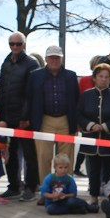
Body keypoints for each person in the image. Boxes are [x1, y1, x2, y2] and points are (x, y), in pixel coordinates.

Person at [22, 45, 80, 184]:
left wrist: (76, 123)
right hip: (44, 120)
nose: (54, 60)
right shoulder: (35, 75)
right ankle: (45, 190)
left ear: (61, 59)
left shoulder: (71, 76)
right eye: (52, 57)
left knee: (66, 159)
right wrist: (25, 118)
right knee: (44, 158)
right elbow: (28, 98)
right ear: (46, 58)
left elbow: (76, 100)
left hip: (65, 120)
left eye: (57, 57)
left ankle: (66, 189)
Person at [0, 31, 39, 200]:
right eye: (11, 44)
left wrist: (25, 117)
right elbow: (1, 89)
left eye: (18, 44)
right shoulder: (6, 62)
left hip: (23, 117)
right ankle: (14, 185)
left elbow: (31, 93)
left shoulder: (31, 63)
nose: (14, 47)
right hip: (7, 115)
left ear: (24, 45)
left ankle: (30, 187)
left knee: (29, 154)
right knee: (10, 153)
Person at [78, 63, 110, 207]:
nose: (104, 79)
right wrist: (90, 125)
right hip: (91, 139)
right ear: (94, 78)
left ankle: (108, 196)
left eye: (107, 77)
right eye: (101, 76)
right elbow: (78, 114)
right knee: (92, 170)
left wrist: (105, 126)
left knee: (109, 171)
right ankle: (93, 197)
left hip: (108, 138)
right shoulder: (86, 95)